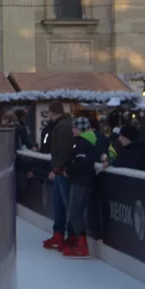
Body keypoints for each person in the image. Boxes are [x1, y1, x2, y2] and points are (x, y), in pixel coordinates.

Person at [62, 117, 99, 259]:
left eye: (75, 128)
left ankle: (82, 244)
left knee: (74, 212)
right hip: (81, 181)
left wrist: (68, 170)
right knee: (75, 211)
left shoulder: (83, 144)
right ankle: (80, 242)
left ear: (81, 129)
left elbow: (81, 162)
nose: (72, 130)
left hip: (81, 182)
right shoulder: (82, 143)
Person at [43, 100, 74, 252]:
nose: (47, 115)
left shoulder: (62, 127)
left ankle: (69, 235)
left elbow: (64, 151)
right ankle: (59, 233)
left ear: (54, 112)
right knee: (59, 203)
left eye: (48, 112)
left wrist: (57, 168)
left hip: (62, 171)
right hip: (60, 171)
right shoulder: (63, 124)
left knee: (65, 203)